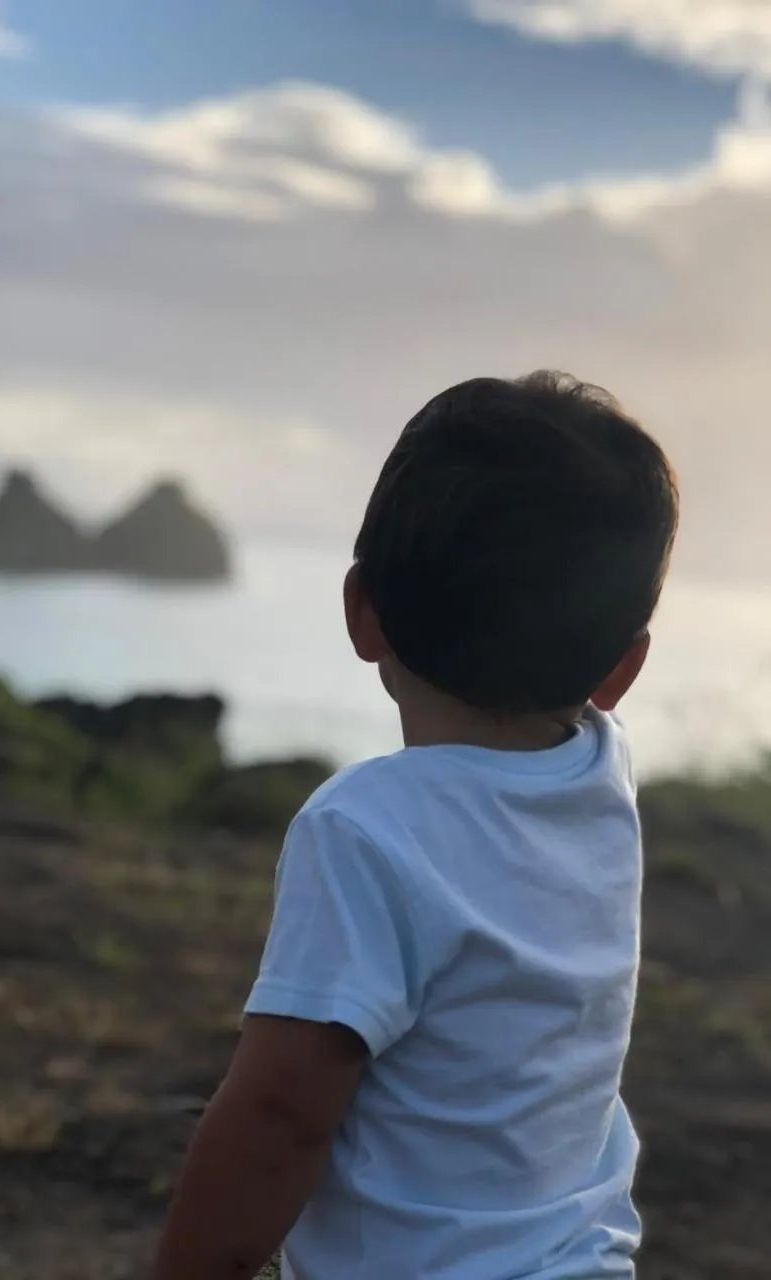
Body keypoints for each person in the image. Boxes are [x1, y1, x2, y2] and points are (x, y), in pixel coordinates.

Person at [149, 371, 680, 1280]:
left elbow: (283, 1105)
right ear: (621, 671)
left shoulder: (364, 828)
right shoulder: (604, 775)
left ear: (363, 613)